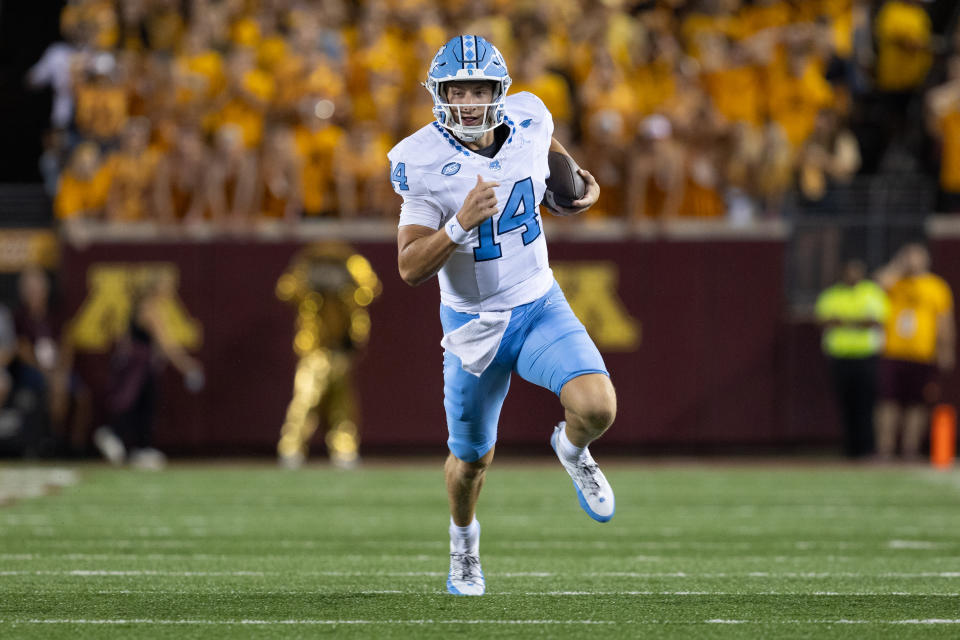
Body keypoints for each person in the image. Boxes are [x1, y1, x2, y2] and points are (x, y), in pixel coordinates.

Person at [388, 35, 616, 597]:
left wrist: (575, 183)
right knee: (471, 461)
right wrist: (459, 225)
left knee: (598, 407)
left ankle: (572, 449)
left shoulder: (531, 114)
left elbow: (547, 149)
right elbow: (410, 268)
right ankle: (463, 545)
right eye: (456, 90)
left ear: (500, 92)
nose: (467, 101)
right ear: (439, 94)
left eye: (479, 88)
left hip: (539, 302)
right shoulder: (418, 161)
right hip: (473, 328)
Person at [275, 243, 381, 469]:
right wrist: (310, 284)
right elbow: (285, 290)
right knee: (306, 400)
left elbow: (371, 288)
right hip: (314, 351)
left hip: (341, 350)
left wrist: (345, 285)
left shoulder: (349, 284)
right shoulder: (307, 286)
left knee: (342, 405)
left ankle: (344, 449)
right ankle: (291, 448)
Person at [94, 273, 204, 469]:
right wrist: (187, 365)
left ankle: (140, 448)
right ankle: (114, 434)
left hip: (137, 364)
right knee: (133, 402)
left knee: (144, 403)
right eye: (166, 286)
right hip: (138, 366)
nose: (171, 291)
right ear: (156, 289)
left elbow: (127, 338)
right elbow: (167, 344)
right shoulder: (150, 309)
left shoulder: (141, 307)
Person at [874, 244, 955, 461]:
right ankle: (885, 449)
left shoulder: (936, 286)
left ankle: (910, 449)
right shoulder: (895, 281)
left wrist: (946, 349)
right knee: (888, 402)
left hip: (923, 354)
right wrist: (900, 265)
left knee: (916, 403)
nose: (913, 261)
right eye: (909, 256)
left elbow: (944, 320)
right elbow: (878, 282)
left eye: (917, 257)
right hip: (893, 352)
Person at [814, 260, 889, 458]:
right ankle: (850, 449)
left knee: (866, 404)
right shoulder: (832, 294)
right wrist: (856, 320)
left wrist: (845, 321)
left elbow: (875, 320)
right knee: (845, 404)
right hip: (840, 356)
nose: (852, 275)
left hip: (866, 356)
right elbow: (824, 320)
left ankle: (867, 448)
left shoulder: (871, 292)